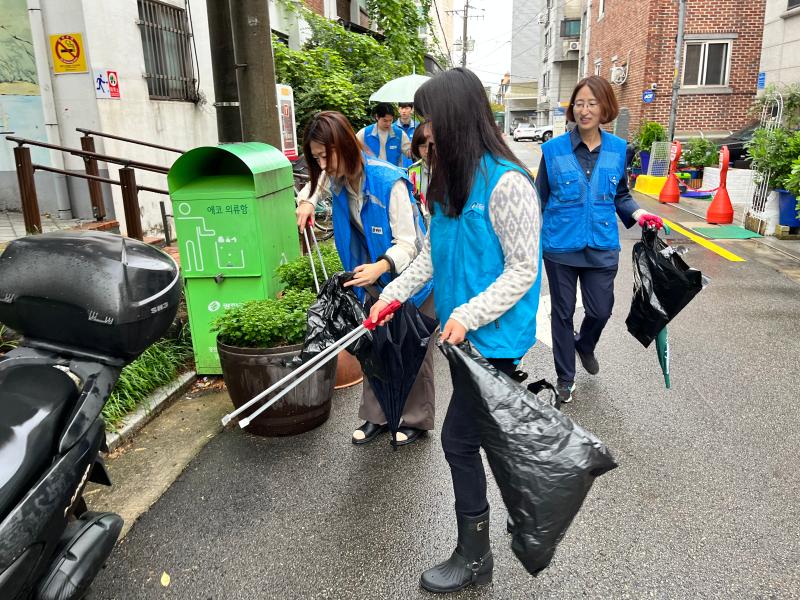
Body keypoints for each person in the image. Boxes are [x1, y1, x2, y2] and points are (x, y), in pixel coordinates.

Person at [369, 68, 543, 594]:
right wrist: (389, 297)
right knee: (484, 440)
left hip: (491, 342)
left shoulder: (507, 183)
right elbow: (430, 258)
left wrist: (468, 313)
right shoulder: (446, 182)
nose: (422, 131)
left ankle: (475, 556)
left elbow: (522, 269)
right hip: (460, 340)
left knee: (459, 441)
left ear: (455, 119)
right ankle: (514, 523)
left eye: (428, 120)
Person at [296, 111, 435, 447]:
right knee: (373, 346)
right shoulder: (338, 177)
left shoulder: (390, 181)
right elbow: (316, 183)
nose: (323, 164)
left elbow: (410, 243)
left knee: (414, 349)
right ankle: (378, 416)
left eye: (325, 154)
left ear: (344, 145)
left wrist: (381, 266)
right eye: (315, 157)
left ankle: (416, 418)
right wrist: (305, 202)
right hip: (370, 279)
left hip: (412, 279)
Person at [535, 75, 663, 405]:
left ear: (605, 107)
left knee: (601, 310)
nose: (585, 110)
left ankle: (586, 343)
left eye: (592, 103)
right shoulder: (552, 150)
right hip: (560, 246)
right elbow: (540, 198)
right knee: (561, 314)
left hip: (603, 244)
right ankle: (566, 378)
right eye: (579, 103)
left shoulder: (619, 149)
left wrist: (639, 215)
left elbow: (621, 194)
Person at [356, 103, 412, 168]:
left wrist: (415, 148)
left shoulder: (399, 134)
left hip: (393, 174)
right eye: (385, 121)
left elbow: (409, 153)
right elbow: (353, 150)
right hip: (372, 174)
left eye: (390, 120)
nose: (388, 123)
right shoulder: (365, 133)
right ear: (377, 117)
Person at [407, 120, 432, 223]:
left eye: (431, 145)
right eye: (423, 146)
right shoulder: (413, 171)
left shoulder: (450, 170)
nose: (427, 151)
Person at [397, 102, 419, 168]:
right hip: (398, 168)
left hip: (415, 167)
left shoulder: (418, 127)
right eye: (401, 108)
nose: (404, 111)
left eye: (407, 108)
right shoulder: (393, 128)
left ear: (412, 110)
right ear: (398, 110)